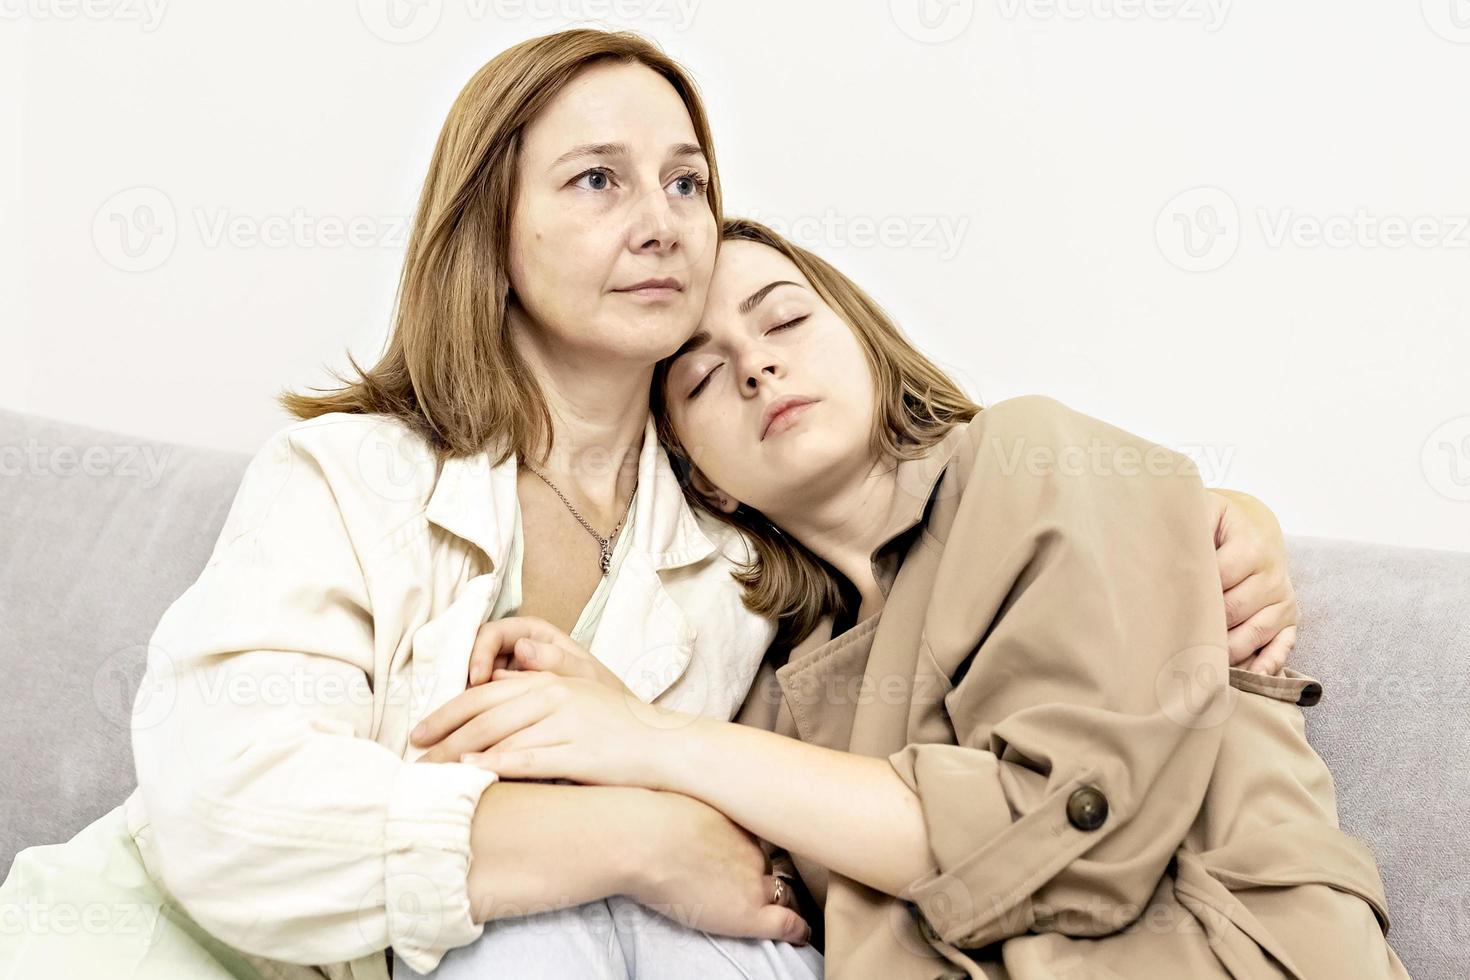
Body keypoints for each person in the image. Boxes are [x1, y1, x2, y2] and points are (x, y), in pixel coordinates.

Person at [0, 34, 1298, 980]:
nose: (663, 219)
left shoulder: (742, 551)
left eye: (686, 181)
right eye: (596, 181)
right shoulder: (352, 478)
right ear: (491, 231)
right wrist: (637, 839)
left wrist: (1210, 520)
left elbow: (943, 564)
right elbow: (230, 818)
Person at [426, 218, 1410, 978]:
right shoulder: (776, 680)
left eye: (784, 319)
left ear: (862, 337)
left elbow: (1065, 839)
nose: (758, 364)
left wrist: (649, 737)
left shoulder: (1033, 456)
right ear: (707, 479)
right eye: (704, 373)